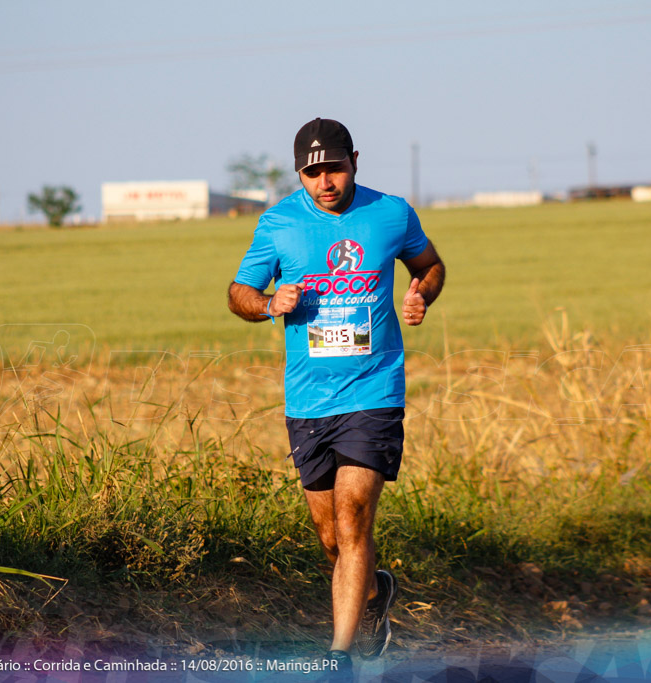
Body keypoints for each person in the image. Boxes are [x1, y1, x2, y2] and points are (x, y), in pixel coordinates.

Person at [227, 118, 445, 669]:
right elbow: (238, 292)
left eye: (336, 168)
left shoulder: (391, 212)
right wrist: (268, 303)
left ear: (355, 161)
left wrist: (422, 294)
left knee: (352, 519)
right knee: (331, 538)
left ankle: (338, 655)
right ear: (299, 173)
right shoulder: (277, 224)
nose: (326, 180)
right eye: (313, 171)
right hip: (307, 402)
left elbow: (430, 265)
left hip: (374, 391)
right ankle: (373, 594)